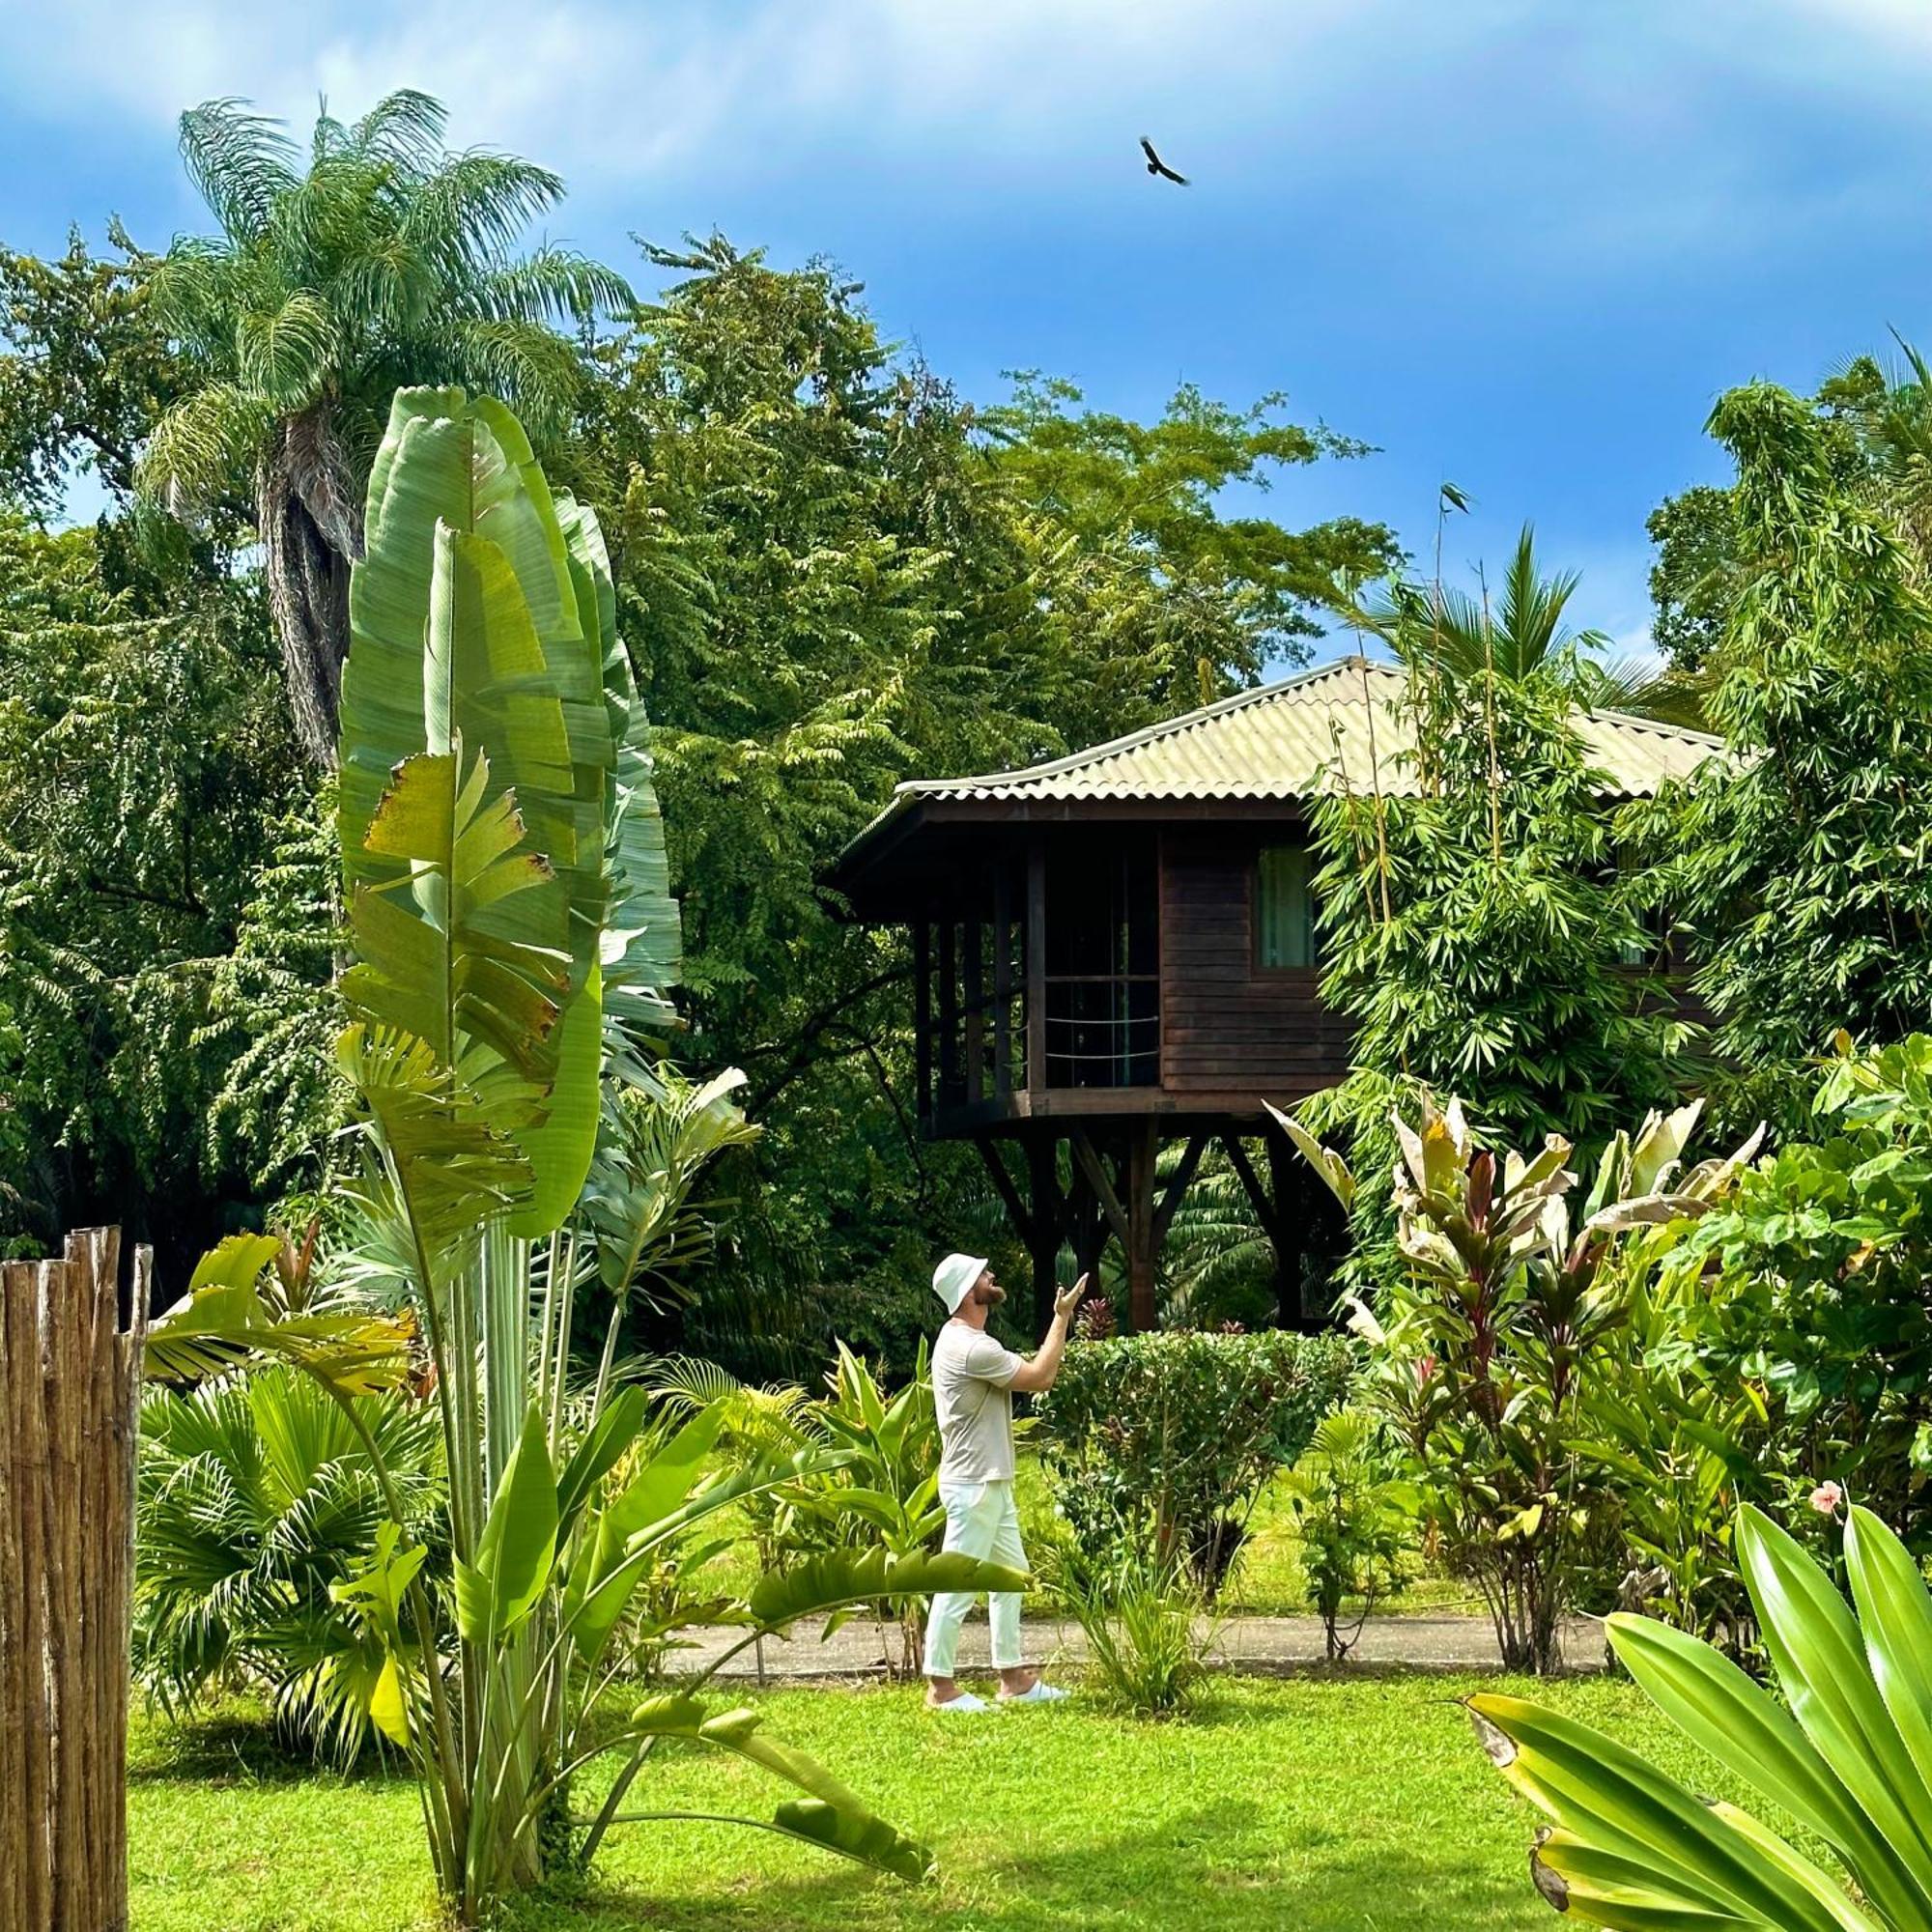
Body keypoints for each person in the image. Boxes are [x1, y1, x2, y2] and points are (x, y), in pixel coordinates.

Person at [923, 1251, 1086, 1712]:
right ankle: (939, 1688)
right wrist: (1062, 1318)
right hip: (974, 1485)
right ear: (966, 1291)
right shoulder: (970, 1347)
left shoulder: (969, 1341)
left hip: (989, 1482)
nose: (991, 1276)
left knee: (1010, 1579)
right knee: (958, 1584)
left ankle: (1013, 1679)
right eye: (982, 1274)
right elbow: (1040, 1376)